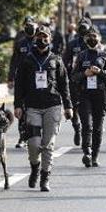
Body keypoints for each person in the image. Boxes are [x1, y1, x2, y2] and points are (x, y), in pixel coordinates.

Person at [14, 25, 73, 191]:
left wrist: (68, 106)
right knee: (33, 144)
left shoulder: (56, 59)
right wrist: (18, 105)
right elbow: (19, 84)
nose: (42, 39)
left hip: (52, 105)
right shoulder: (27, 59)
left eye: (45, 37)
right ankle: (35, 167)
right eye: (39, 36)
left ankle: (45, 177)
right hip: (32, 106)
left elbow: (64, 84)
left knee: (48, 144)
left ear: (50, 39)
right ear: (35, 39)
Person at [70, 27, 106, 167]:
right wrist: (85, 74)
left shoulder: (104, 56)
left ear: (99, 38)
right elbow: (73, 76)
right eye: (89, 36)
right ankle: (87, 152)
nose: (92, 38)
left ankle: (95, 155)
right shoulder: (81, 56)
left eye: (94, 36)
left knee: (97, 127)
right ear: (85, 39)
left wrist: (100, 72)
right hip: (85, 94)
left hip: (100, 95)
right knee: (87, 125)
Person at [8, 15, 37, 148]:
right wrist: (10, 78)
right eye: (27, 25)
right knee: (21, 108)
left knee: (35, 108)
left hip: (38, 81)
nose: (29, 27)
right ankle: (22, 137)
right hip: (22, 80)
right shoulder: (20, 43)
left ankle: (36, 135)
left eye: (31, 25)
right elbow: (14, 61)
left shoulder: (40, 41)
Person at [62, 18, 92, 147]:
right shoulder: (72, 44)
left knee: (88, 109)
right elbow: (64, 62)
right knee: (74, 107)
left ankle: (87, 133)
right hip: (74, 80)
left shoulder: (93, 43)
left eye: (85, 27)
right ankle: (77, 129)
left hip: (90, 82)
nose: (83, 30)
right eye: (81, 27)